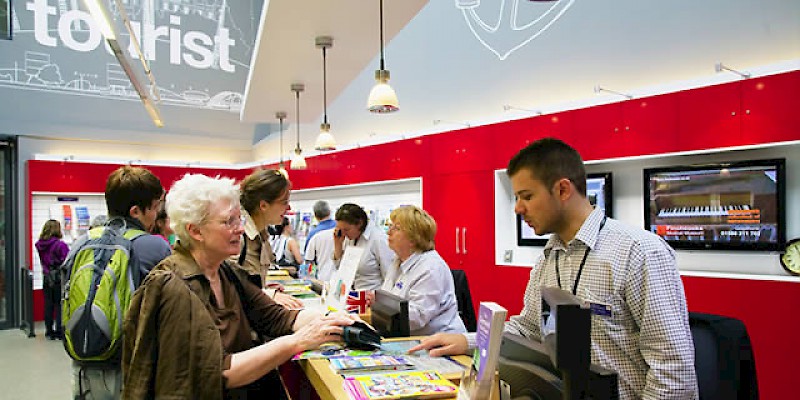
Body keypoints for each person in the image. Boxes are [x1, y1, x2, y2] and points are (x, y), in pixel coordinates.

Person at [412, 138, 698, 399]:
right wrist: (467, 340)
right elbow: (528, 328)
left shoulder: (639, 252)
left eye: (527, 196)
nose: (518, 208)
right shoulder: (549, 257)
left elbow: (673, 370)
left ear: (562, 189)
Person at [121, 173, 357, 399]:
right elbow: (218, 373)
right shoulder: (174, 287)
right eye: (228, 221)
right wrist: (298, 341)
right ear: (195, 231)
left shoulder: (226, 272)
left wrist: (332, 318)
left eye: (238, 219)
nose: (240, 228)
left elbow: (275, 317)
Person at [67, 166, 172, 400]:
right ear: (136, 211)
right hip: (129, 368)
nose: (156, 214)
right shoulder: (155, 246)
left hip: (82, 364)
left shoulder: (82, 243)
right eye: (154, 207)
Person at [381, 205, 466, 336]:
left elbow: (417, 317)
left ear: (414, 238)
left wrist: (378, 313)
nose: (388, 231)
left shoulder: (430, 267)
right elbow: (389, 300)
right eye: (390, 226)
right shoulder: (397, 261)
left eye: (396, 228)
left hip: (441, 341)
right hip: (408, 336)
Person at [237, 169, 303, 309]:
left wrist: (265, 288)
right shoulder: (238, 237)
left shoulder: (262, 235)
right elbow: (230, 288)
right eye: (284, 202)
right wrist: (268, 294)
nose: (288, 207)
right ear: (263, 205)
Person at [332, 203, 395, 291]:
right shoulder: (349, 239)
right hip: (352, 295)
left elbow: (390, 278)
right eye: (340, 229)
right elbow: (341, 270)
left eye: (346, 229)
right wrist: (338, 245)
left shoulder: (378, 240)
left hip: (372, 298)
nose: (344, 234)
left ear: (360, 223)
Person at [35, 219, 69, 340]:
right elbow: (67, 261)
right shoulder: (61, 245)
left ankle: (49, 331)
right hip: (58, 278)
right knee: (60, 304)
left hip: (46, 277)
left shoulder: (39, 245)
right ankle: (60, 331)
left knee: (48, 304)